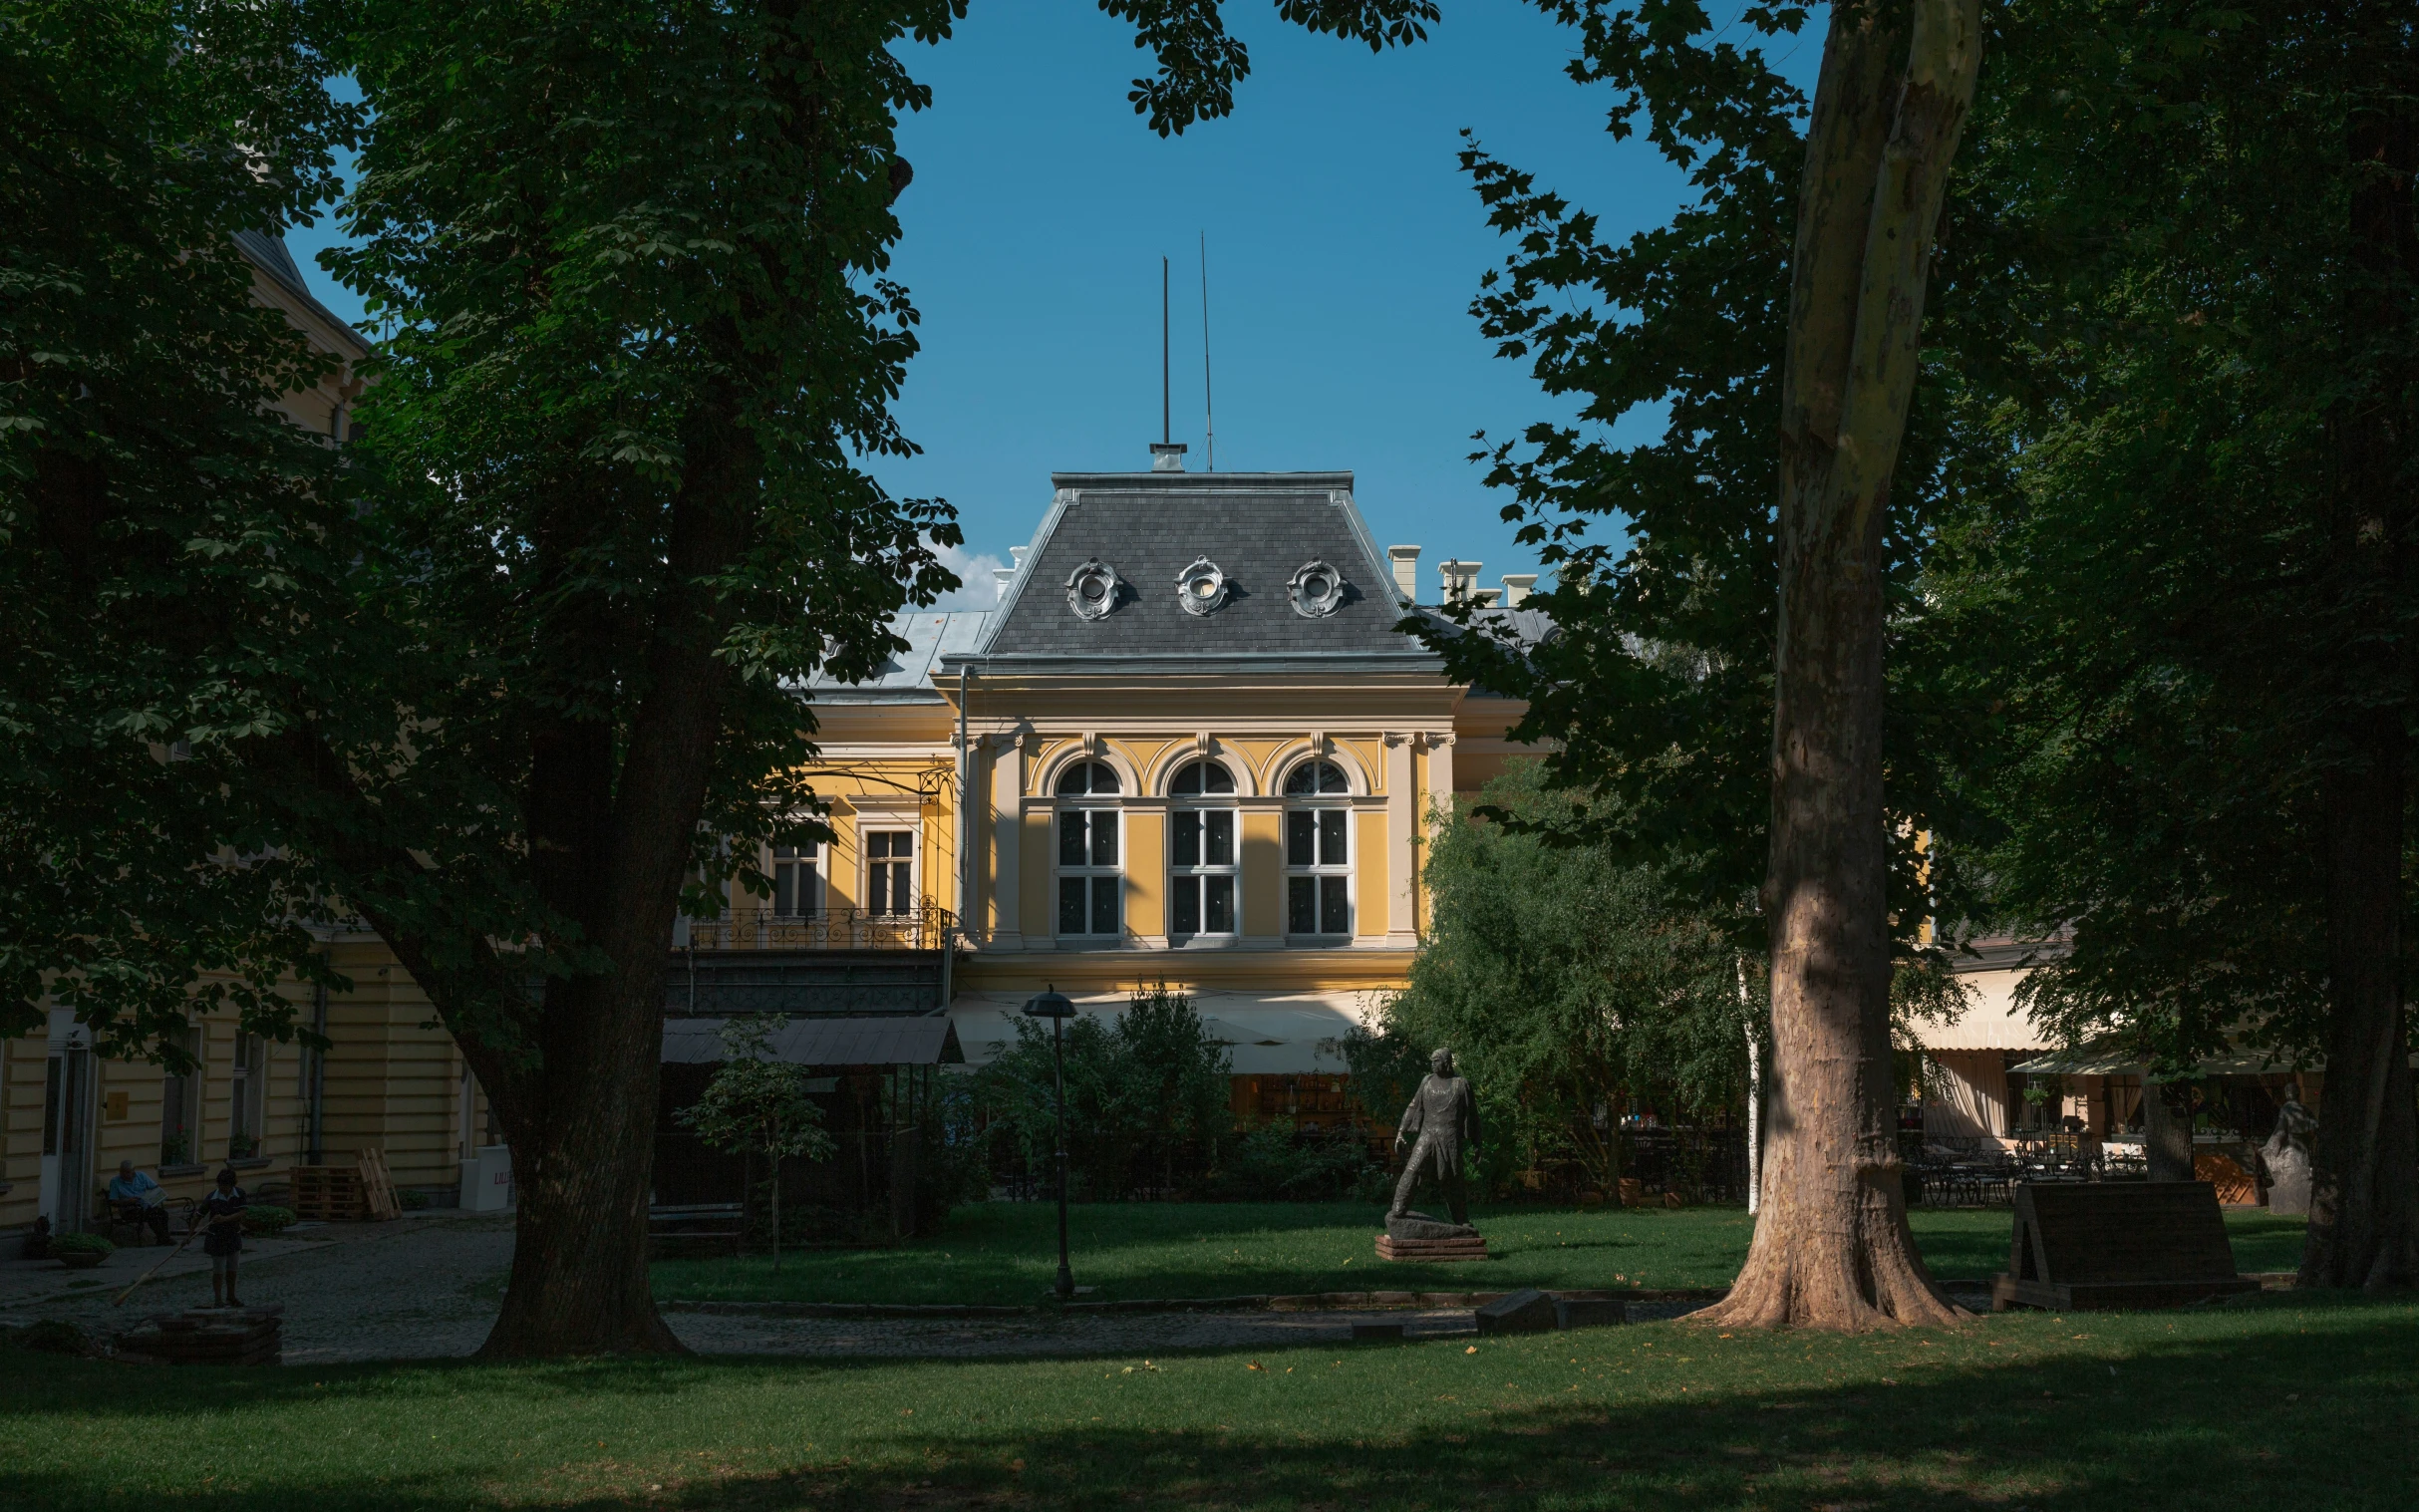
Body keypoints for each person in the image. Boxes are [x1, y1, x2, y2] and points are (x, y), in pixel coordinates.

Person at [1389, 1047, 1482, 1227]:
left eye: (1436, 1060)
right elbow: (1413, 1106)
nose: (1432, 1064)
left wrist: (1478, 1143)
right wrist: (1401, 1131)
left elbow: (1473, 1115)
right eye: (1431, 1061)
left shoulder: (1461, 1084)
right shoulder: (1427, 1081)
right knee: (1412, 1170)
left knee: (1454, 1181)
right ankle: (1398, 1210)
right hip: (1427, 1136)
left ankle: (1461, 1221)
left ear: (1446, 1062)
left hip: (1450, 1139)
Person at [192, 1167, 249, 1309]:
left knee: (232, 1269)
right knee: (218, 1270)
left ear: (232, 1185)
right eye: (220, 1185)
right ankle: (218, 1299)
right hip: (216, 1237)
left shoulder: (240, 1194)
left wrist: (225, 1219)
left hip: (233, 1235)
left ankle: (231, 1296)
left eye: (225, 1186)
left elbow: (242, 1212)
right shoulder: (212, 1197)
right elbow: (198, 1215)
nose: (223, 1189)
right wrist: (190, 1234)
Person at [106, 1159, 173, 1245]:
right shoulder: (115, 1182)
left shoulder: (141, 1176)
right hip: (129, 1210)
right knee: (152, 1215)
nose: (125, 1175)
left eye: (127, 1172)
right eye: (122, 1172)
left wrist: (152, 1197)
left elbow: (155, 1187)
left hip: (145, 1206)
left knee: (163, 1213)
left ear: (133, 1171)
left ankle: (163, 1238)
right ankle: (165, 1239)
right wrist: (127, 1201)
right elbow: (113, 1202)